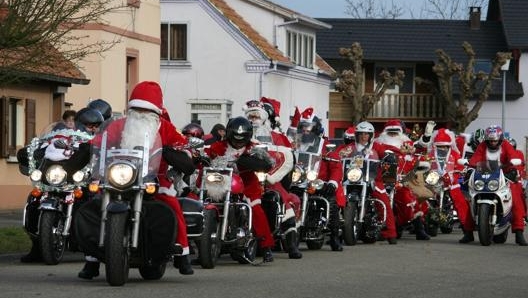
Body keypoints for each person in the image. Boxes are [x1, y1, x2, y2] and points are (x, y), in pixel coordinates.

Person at [78, 81, 196, 279]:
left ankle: (182, 253)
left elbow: (183, 149)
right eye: (137, 109)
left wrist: (177, 155)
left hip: (155, 178)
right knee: (96, 204)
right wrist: (84, 151)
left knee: (171, 204)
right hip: (119, 176)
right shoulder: (119, 125)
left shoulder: (165, 128)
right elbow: (98, 142)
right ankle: (91, 259)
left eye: (146, 110)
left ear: (155, 112)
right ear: (130, 108)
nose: (141, 113)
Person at [19, 107, 104, 263]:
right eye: (89, 125)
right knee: (33, 201)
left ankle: (92, 251)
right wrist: (31, 153)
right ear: (78, 124)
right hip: (58, 178)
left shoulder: (99, 142)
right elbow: (42, 149)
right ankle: (37, 247)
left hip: (82, 181)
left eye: (95, 125)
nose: (93, 128)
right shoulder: (64, 138)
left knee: (92, 203)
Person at [205, 116, 276, 262]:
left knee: (255, 210)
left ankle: (266, 247)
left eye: (241, 139)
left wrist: (249, 162)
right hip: (221, 183)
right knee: (204, 205)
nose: (238, 142)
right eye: (235, 138)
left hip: (247, 184)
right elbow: (206, 157)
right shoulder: (218, 146)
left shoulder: (253, 148)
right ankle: (202, 246)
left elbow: (267, 163)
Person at [244, 99, 302, 259]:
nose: (253, 118)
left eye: (256, 115)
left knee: (284, 200)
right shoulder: (241, 133)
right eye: (251, 115)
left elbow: (287, 157)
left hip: (270, 179)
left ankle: (291, 245)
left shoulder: (276, 136)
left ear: (263, 117)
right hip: (247, 178)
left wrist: (276, 177)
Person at [337, 121, 398, 244]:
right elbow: (337, 153)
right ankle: (335, 230)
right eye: (361, 134)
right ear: (357, 135)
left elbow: (387, 151)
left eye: (367, 134)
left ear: (371, 136)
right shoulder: (350, 147)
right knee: (335, 197)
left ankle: (391, 233)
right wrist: (332, 154)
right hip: (351, 178)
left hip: (372, 178)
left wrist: (390, 156)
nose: (364, 136)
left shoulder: (376, 146)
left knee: (383, 200)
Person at [468, 125, 527, 246]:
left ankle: (519, 232)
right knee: (469, 198)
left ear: (500, 139)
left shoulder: (506, 145)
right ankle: (468, 232)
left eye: (495, 140)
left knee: (516, 199)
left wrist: (513, 169)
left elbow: (513, 156)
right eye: (490, 140)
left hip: (504, 176)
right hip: (485, 177)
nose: (493, 142)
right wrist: (470, 168)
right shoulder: (482, 146)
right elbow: (475, 159)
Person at [295, 107, 344, 251]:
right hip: (298, 180)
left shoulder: (324, 146)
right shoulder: (296, 144)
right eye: (303, 127)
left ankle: (334, 236)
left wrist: (332, 183)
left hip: (317, 181)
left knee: (331, 201)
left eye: (308, 128)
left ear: (316, 128)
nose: (305, 131)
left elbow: (336, 167)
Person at [374, 119, 431, 241]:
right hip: (383, 178)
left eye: (395, 132)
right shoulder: (377, 144)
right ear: (385, 132)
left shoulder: (407, 144)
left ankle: (417, 228)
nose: (393, 135)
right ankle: (381, 228)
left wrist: (427, 136)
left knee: (411, 199)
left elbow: (420, 149)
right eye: (390, 132)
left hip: (404, 177)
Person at [426, 129, 475, 243]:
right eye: (439, 146)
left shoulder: (454, 153)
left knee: (460, 201)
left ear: (449, 145)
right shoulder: (431, 153)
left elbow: (460, 164)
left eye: (445, 146)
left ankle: (467, 230)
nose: (442, 148)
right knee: (425, 195)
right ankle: (421, 223)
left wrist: (461, 169)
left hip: (451, 177)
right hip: (434, 176)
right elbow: (425, 162)